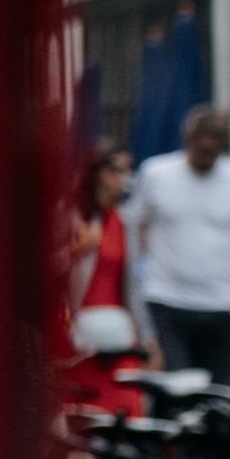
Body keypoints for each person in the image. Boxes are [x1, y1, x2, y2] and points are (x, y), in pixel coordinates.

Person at [128, 105, 230, 382]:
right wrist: (140, 283)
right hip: (166, 299)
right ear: (187, 139)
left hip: (223, 303)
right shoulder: (156, 173)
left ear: (224, 145)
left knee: (218, 391)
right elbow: (137, 229)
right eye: (201, 148)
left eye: (213, 149)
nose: (207, 155)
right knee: (174, 388)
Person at [55, 141, 149, 416]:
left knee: (127, 412)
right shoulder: (71, 215)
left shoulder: (125, 221)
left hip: (121, 339)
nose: (124, 179)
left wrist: (146, 335)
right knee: (85, 417)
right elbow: (43, 270)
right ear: (98, 172)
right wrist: (76, 250)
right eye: (117, 171)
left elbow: (133, 285)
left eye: (127, 171)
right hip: (81, 342)